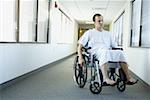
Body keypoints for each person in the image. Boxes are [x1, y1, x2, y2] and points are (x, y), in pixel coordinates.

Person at [77, 13, 137, 85]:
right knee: (104, 52)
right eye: (99, 21)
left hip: (107, 51)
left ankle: (128, 78)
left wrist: (119, 49)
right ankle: (106, 79)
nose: (101, 22)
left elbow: (114, 45)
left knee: (120, 53)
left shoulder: (108, 34)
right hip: (95, 53)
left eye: (102, 20)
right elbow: (80, 46)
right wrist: (80, 57)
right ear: (94, 22)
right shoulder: (89, 33)